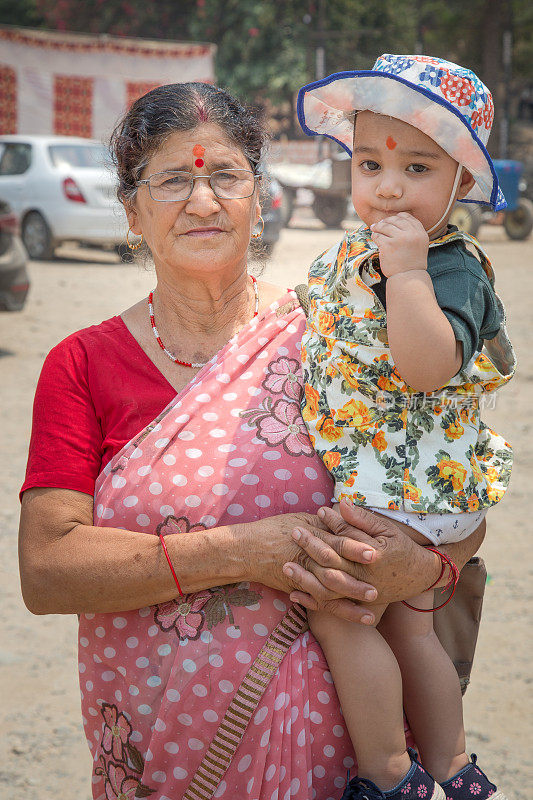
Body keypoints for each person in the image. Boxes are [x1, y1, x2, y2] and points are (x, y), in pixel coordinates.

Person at [18, 81, 486, 800]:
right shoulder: (83, 365)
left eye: (225, 176)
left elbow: (446, 496)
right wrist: (242, 551)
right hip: (164, 751)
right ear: (132, 212)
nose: (203, 202)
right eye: (173, 179)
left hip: (336, 764)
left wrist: (420, 573)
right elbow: (48, 570)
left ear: (259, 199)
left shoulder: (338, 334)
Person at [296, 55, 515, 800]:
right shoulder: (361, 254)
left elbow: (425, 367)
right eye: (369, 162)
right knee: (408, 628)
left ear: (460, 182)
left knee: (341, 613)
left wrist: (411, 274)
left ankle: (389, 773)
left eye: (417, 167)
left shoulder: (448, 267)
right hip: (405, 483)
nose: (387, 186)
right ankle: (452, 770)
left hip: (412, 487)